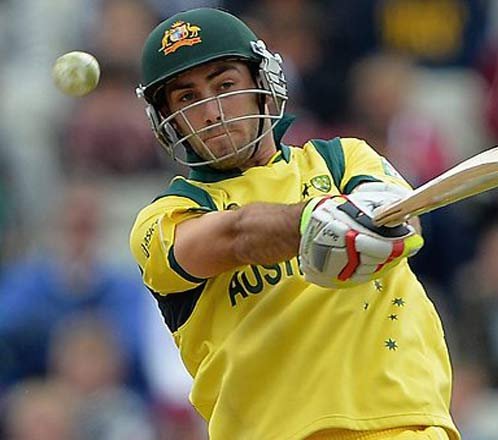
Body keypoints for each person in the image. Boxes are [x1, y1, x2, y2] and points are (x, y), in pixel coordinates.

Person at [129, 8, 460, 440]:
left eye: (225, 86)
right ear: (167, 119)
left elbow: (406, 221)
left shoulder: (342, 159)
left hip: (406, 425)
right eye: (187, 99)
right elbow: (236, 236)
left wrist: (377, 223)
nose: (212, 112)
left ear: (263, 83)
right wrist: (315, 221)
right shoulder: (167, 217)